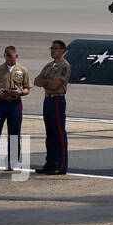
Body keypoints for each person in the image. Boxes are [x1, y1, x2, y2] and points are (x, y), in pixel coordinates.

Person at [0, 45, 32, 170]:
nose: (10, 61)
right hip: (0, 103)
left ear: (17, 56)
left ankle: (12, 162)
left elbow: (27, 89)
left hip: (15, 104)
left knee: (14, 134)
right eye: (8, 59)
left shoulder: (23, 70)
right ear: (4, 56)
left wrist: (20, 92)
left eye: (13, 59)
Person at [34, 40, 71, 175]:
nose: (52, 51)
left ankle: (61, 166)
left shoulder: (64, 65)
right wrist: (46, 83)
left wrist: (45, 82)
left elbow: (55, 85)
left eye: (55, 48)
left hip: (57, 99)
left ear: (63, 50)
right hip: (48, 100)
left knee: (59, 133)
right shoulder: (49, 65)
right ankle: (50, 163)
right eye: (51, 48)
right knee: (49, 133)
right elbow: (36, 80)